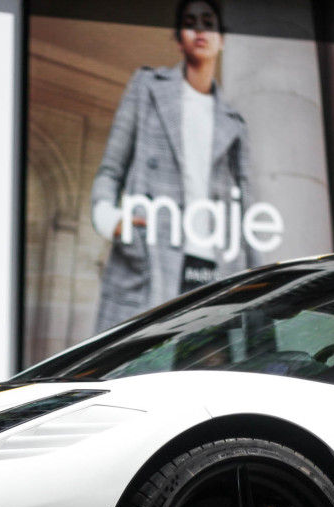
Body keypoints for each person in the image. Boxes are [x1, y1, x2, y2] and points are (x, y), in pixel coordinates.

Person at [90, 0, 260, 332]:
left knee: (208, 375)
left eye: (208, 22)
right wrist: (111, 221)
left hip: (216, 267)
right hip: (151, 256)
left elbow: (246, 208)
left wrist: (258, 279)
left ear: (222, 39)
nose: (200, 28)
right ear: (179, 38)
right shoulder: (147, 87)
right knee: (134, 369)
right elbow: (111, 169)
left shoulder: (234, 122)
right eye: (190, 21)